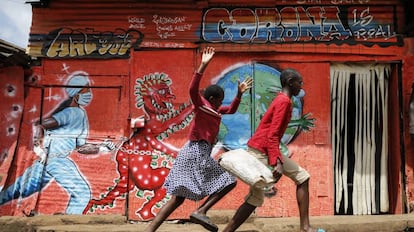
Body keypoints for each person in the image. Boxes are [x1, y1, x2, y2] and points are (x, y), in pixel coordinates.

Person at [144, 46, 253, 232]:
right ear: (212, 98)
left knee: (177, 198)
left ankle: (150, 230)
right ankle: (201, 210)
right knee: (229, 181)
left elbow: (231, 110)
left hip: (192, 152)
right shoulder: (202, 105)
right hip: (197, 152)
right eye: (220, 99)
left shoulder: (215, 110)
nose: (221, 103)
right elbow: (192, 89)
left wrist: (240, 94)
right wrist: (202, 65)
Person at [222, 68, 325, 232]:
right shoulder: (283, 102)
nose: (301, 86)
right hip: (262, 151)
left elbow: (272, 133)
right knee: (302, 177)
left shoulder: (282, 99)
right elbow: (273, 134)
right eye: (300, 82)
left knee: (255, 198)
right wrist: (276, 162)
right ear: (290, 82)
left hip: (258, 148)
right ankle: (305, 227)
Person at [0, 72, 115, 215]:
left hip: (50, 161)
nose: (89, 93)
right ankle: (69, 222)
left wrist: (102, 147)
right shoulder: (72, 113)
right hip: (56, 161)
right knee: (82, 193)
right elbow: (40, 125)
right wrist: (38, 147)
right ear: (76, 94)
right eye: (86, 90)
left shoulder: (80, 114)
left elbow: (81, 147)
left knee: (15, 191)